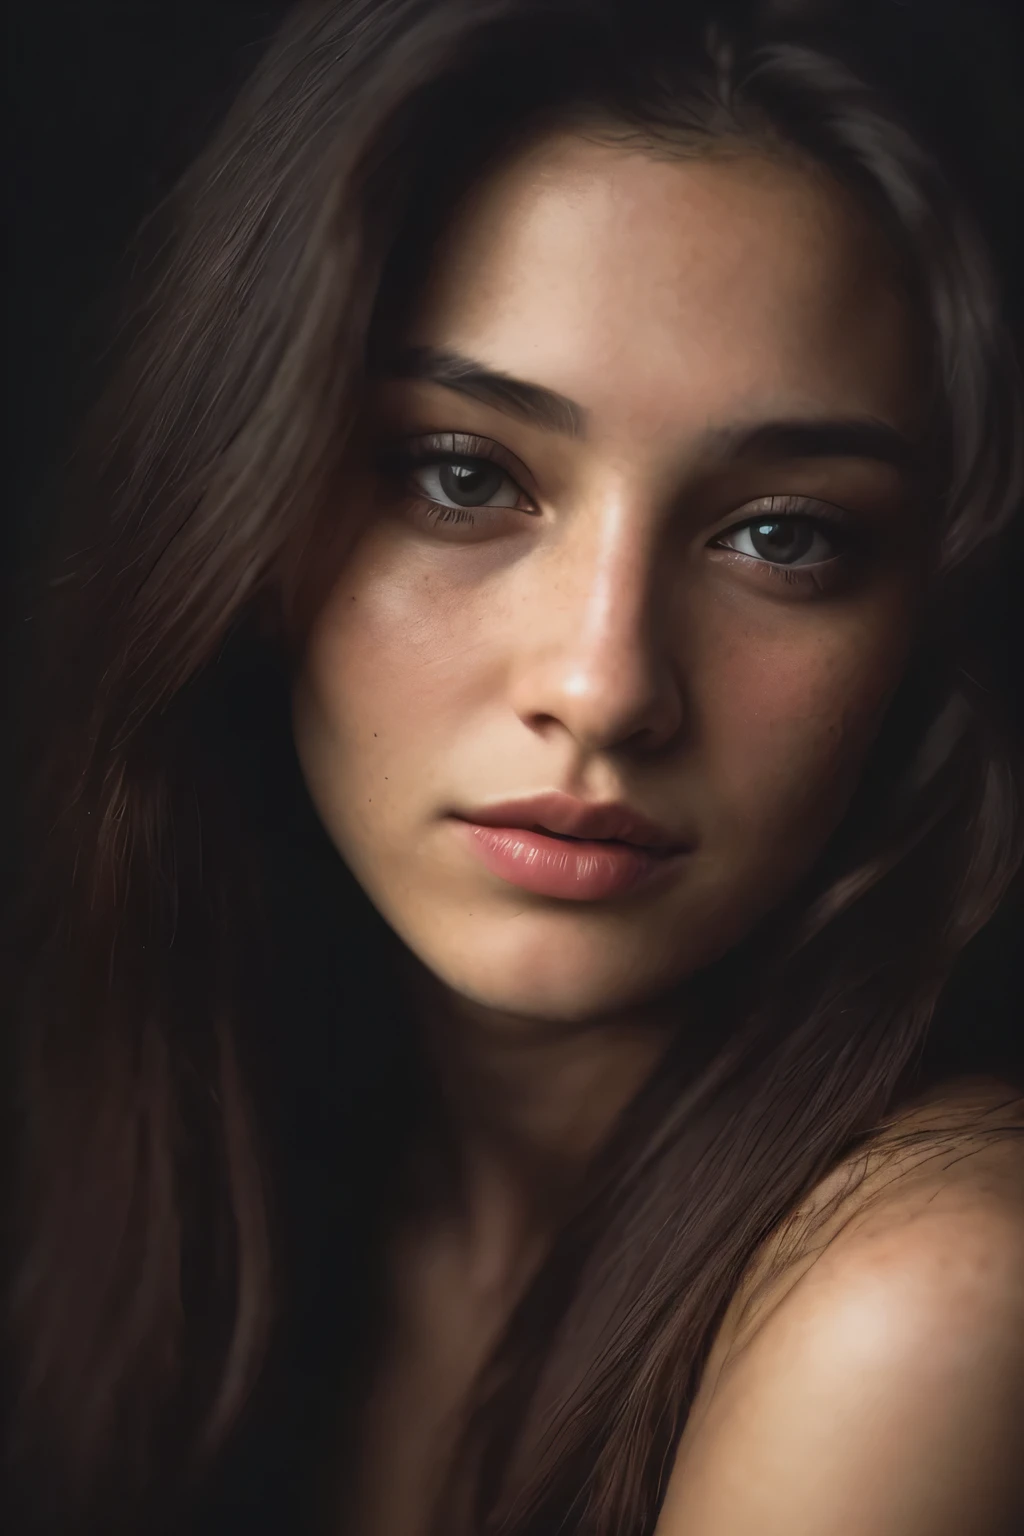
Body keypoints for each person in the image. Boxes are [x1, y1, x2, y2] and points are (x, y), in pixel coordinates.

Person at [5, 0, 1024, 1532]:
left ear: (920, 630)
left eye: (783, 535)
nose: (603, 685)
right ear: (244, 513)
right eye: (463, 476)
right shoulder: (199, 1166)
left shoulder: (927, 1299)